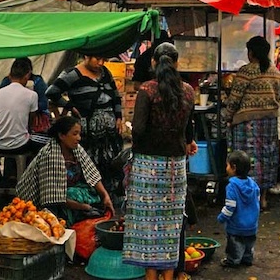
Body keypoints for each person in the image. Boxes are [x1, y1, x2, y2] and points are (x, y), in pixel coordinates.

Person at [122, 43, 197, 280]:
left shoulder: (147, 90)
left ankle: (150, 277)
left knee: (146, 227)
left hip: (147, 167)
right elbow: (188, 129)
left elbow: (140, 129)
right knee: (170, 226)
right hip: (175, 168)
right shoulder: (188, 91)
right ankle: (169, 276)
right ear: (176, 63)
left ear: (154, 62)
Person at [46, 54, 124, 197]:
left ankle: (109, 197)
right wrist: (69, 106)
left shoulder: (105, 73)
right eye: (97, 59)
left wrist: (118, 117)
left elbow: (115, 96)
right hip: (87, 133)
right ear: (86, 56)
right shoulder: (72, 74)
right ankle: (92, 197)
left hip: (109, 135)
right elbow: (52, 92)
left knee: (110, 166)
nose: (100, 62)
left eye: (103, 59)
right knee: (90, 166)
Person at [17, 116, 115, 224]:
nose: (79, 138)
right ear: (62, 136)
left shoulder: (76, 149)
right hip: (41, 201)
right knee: (72, 196)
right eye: (74, 134)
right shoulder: (50, 155)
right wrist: (84, 207)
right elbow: (54, 198)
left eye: (79, 134)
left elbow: (92, 174)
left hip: (65, 192)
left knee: (91, 192)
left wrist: (105, 196)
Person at [224, 36, 280, 213]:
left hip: (247, 124)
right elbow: (278, 96)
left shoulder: (245, 72)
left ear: (251, 53)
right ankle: (263, 198)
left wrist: (227, 117)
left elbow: (234, 100)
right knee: (266, 158)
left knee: (247, 160)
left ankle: (246, 200)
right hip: (269, 122)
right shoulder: (275, 72)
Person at [217, 150, 260, 268]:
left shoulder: (232, 186)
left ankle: (233, 260)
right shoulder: (253, 184)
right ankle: (247, 258)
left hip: (236, 225)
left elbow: (230, 206)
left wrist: (222, 217)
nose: (226, 167)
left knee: (234, 244)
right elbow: (257, 200)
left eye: (227, 165)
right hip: (251, 224)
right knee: (249, 244)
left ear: (233, 167)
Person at [0, 57, 50, 138]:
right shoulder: (7, 81)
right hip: (17, 122)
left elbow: (44, 104)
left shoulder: (37, 81)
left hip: (33, 120)